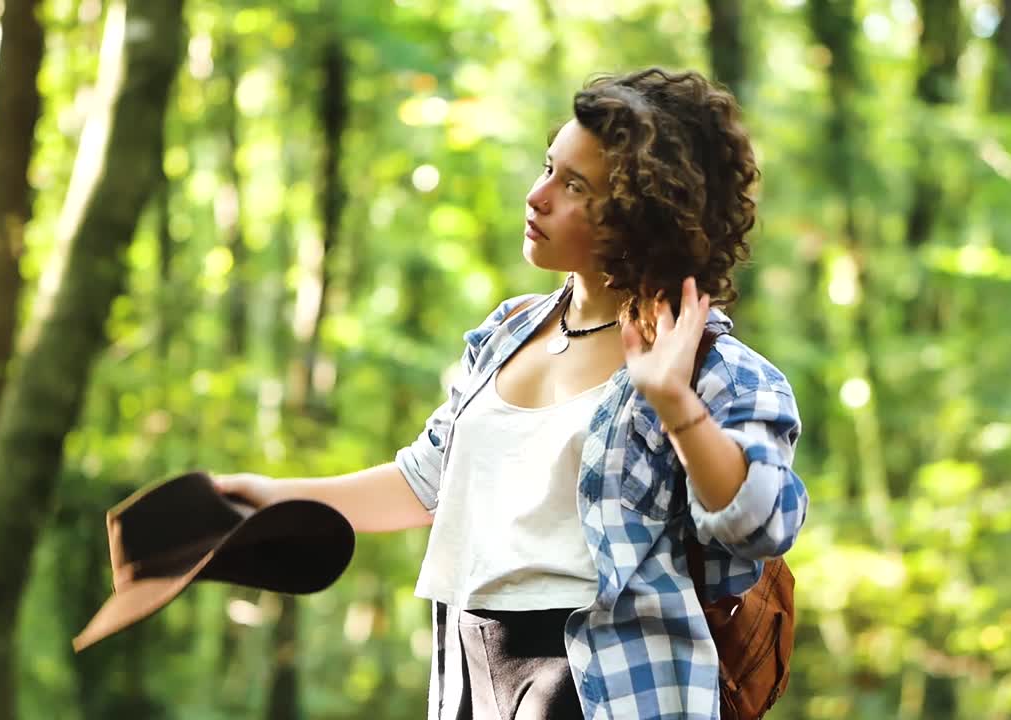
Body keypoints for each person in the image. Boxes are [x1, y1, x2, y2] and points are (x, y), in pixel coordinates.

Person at [214, 66, 808, 720]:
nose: (538, 196)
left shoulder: (716, 371)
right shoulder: (507, 331)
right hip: (469, 670)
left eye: (573, 186)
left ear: (643, 216)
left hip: (599, 683)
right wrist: (273, 496)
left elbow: (764, 524)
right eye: (547, 167)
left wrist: (676, 406)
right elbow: (425, 483)